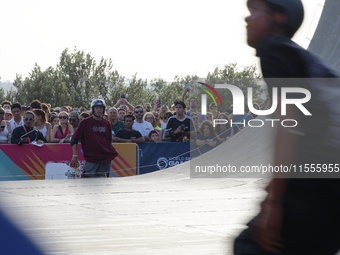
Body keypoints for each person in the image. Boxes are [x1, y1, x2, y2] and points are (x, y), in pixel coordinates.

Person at [234, 1, 340, 255]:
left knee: (250, 247)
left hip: (318, 188)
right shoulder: (303, 60)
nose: (247, 19)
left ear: (278, 18)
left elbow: (287, 124)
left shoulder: (274, 49)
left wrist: (274, 202)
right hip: (328, 187)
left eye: (255, 11)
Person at [70, 99, 118, 178]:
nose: (99, 110)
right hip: (91, 158)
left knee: (103, 182)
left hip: (106, 158)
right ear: (93, 109)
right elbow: (74, 139)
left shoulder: (107, 123)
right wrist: (75, 156)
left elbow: (109, 141)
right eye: (97, 108)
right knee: (88, 182)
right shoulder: (85, 122)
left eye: (101, 108)